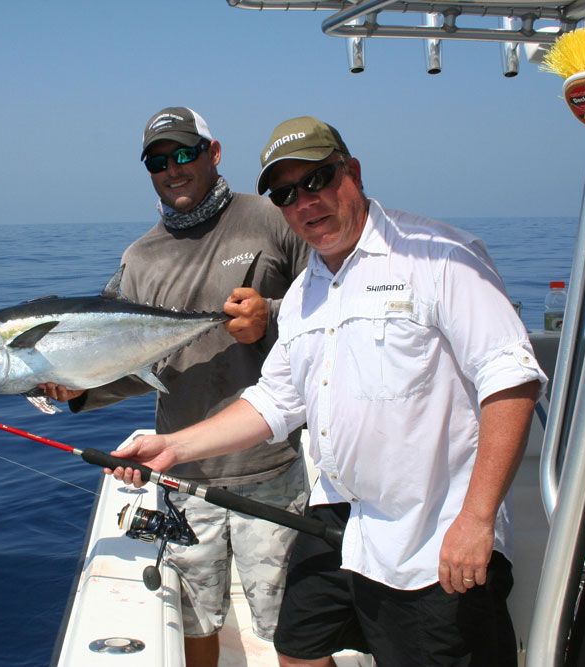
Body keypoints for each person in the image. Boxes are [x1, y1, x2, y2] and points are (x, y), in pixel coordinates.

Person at [108, 116, 547, 666]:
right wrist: (173, 448)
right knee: (297, 647)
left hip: (435, 528)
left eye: (317, 180)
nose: (305, 203)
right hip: (346, 519)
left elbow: (511, 378)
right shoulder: (304, 292)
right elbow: (275, 400)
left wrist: (477, 519)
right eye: (287, 194)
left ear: (352, 173)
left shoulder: (440, 256)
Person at [41, 107, 310, 667]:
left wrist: (273, 315)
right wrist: (77, 389)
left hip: (274, 468)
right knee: (192, 622)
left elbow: (340, 300)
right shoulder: (139, 258)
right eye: (158, 160)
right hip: (183, 475)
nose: (173, 168)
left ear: (214, 153)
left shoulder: (272, 217)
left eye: (185, 153)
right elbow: (127, 360)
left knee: (295, 632)